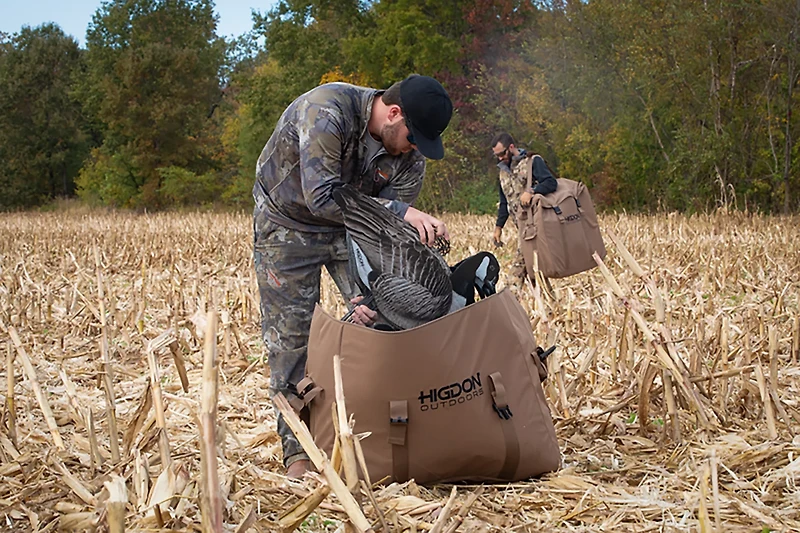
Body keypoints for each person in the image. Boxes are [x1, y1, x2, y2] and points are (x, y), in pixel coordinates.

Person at [252, 74, 453, 479]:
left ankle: (383, 435)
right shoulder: (326, 110)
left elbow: (384, 234)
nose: (414, 151)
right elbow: (322, 196)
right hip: (289, 225)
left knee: (385, 319)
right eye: (413, 138)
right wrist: (399, 213)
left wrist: (378, 297)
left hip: (352, 231)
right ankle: (299, 454)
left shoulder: (410, 157)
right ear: (393, 114)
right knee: (291, 340)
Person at [490, 132, 557, 290]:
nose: (500, 158)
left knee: (518, 269)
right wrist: (498, 227)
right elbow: (504, 202)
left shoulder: (532, 161)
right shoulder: (503, 172)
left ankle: (506, 301)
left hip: (537, 226)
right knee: (535, 269)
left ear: (511, 147)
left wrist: (533, 190)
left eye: (502, 154)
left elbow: (551, 183)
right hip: (521, 228)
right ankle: (549, 307)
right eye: (496, 155)